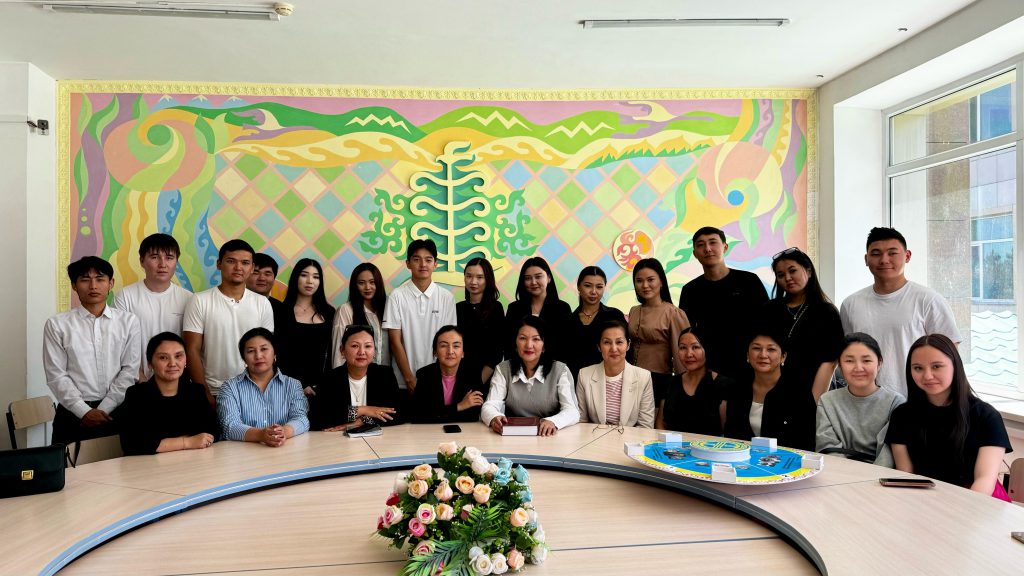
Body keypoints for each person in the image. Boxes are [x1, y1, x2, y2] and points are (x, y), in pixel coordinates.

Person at [886, 334, 1013, 500]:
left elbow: (985, 480)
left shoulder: (986, 416)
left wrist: (958, 512)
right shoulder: (902, 415)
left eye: (936, 366)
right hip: (924, 499)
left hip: (979, 501)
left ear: (955, 366)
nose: (927, 376)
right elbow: (906, 475)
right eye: (918, 368)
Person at [840, 227, 961, 397]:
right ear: (866, 259)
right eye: (876, 253)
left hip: (916, 400)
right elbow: (848, 353)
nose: (884, 260)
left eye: (892, 253)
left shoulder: (928, 300)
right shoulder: (850, 304)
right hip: (866, 400)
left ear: (907, 256)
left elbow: (949, 352)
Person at [44, 256, 142, 445]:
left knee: (122, 463)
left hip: (118, 412)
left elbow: (130, 370)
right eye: (85, 279)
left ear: (111, 283)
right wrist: (84, 411)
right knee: (68, 464)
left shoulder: (129, 322)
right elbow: (56, 375)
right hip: (72, 415)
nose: (93, 286)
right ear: (74, 285)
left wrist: (103, 409)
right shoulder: (57, 325)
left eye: (100, 279)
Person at [183, 239, 274, 402]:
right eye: (231, 261)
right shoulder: (199, 300)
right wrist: (204, 393)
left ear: (252, 267)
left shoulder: (262, 303)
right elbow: (191, 350)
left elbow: (266, 351)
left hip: (252, 390)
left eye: (245, 263)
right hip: (213, 390)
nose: (238, 267)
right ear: (219, 264)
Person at [678, 226, 768, 380]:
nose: (707, 249)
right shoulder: (690, 290)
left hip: (748, 367)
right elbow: (688, 333)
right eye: (701, 245)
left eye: (713, 242)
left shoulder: (749, 281)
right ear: (695, 253)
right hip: (710, 370)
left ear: (725, 247)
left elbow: (766, 323)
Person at [760, 247, 843, 402]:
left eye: (793, 271)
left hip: (813, 391)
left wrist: (813, 403)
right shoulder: (770, 310)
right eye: (781, 275)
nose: (788, 278)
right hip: (773, 391)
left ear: (809, 271)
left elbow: (830, 362)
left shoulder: (826, 312)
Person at [119, 333, 219, 455]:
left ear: (186, 359)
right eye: (163, 358)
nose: (172, 363)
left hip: (193, 460)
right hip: (149, 465)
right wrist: (187, 442)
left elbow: (213, 431)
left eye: (178, 356)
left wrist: (162, 444)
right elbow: (132, 443)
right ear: (150, 363)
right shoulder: (136, 395)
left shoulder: (196, 392)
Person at [816, 333, 904, 467]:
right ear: (840, 365)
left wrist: (870, 478)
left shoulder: (896, 403)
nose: (858, 368)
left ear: (879, 363)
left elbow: (889, 455)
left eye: (866, 360)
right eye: (849, 361)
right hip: (838, 473)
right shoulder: (827, 401)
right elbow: (827, 448)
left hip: (881, 476)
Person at [112, 233, 192, 381]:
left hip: (177, 381)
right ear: (142, 261)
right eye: (155, 257)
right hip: (136, 380)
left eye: (169, 258)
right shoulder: (125, 296)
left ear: (176, 261)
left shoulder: (188, 298)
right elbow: (118, 343)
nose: (162, 264)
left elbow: (191, 345)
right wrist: (139, 377)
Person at [482, 316, 580, 436]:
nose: (529, 345)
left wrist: (553, 421)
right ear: (515, 342)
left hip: (549, 436)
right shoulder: (503, 369)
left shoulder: (560, 371)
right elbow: (490, 404)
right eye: (523, 338)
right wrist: (494, 417)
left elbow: (572, 411)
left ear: (544, 345)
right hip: (513, 436)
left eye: (536, 339)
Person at [383, 239, 457, 393]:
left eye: (428, 260)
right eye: (417, 259)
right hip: (403, 382)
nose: (423, 264)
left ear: (435, 264)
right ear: (408, 264)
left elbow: (448, 340)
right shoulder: (396, 296)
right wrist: (409, 378)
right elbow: (395, 341)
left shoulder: (446, 297)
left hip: (438, 381)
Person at [722, 330, 815, 450]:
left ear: (783, 357)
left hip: (787, 459)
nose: (763, 355)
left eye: (771, 349)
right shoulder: (737, 389)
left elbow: (807, 442)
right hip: (741, 458)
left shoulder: (799, 393)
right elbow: (731, 436)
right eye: (756, 348)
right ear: (747, 355)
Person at [217, 328, 308, 446]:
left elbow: (301, 419)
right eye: (251, 351)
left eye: (264, 349)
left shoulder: (293, 385)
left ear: (275, 353)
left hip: (284, 451)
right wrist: (261, 435)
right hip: (244, 453)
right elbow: (229, 427)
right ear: (244, 358)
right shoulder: (229, 388)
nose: (258, 356)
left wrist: (283, 432)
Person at [313, 325, 401, 430]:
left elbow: (398, 413)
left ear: (374, 351)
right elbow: (319, 417)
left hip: (377, 437)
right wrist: (363, 410)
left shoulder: (385, 375)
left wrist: (363, 421)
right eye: (355, 346)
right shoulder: (329, 379)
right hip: (338, 438)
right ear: (342, 350)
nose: (362, 352)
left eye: (368, 346)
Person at [627, 258, 689, 402]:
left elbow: (682, 354)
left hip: (659, 380)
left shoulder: (673, 313)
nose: (645, 285)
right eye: (639, 281)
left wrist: (684, 387)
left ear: (661, 282)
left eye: (650, 280)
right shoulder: (634, 311)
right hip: (632, 378)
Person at [576, 320, 655, 428]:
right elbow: (581, 423)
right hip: (594, 437)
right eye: (607, 342)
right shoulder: (584, 375)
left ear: (628, 345)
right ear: (599, 347)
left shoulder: (643, 377)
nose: (613, 349)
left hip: (630, 438)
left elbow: (645, 426)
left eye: (619, 342)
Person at [275, 258, 335, 398]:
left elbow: (333, 351)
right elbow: (280, 353)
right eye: (304, 275)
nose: (310, 281)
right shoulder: (281, 311)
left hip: (324, 386)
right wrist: (301, 384)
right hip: (289, 386)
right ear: (295, 278)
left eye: (316, 277)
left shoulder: (329, 312)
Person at [658, 328, 731, 437]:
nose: (689, 354)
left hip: (709, 447)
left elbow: (726, 431)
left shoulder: (723, 385)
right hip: (672, 447)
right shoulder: (670, 383)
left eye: (695, 347)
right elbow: (660, 424)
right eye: (683, 347)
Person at [410, 326, 487, 424]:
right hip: (430, 431)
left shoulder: (472, 375)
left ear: (463, 353)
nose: (450, 351)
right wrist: (459, 406)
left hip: (465, 430)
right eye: (443, 346)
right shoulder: (425, 374)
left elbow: (472, 416)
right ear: (435, 352)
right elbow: (417, 414)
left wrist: (438, 412)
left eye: (456, 346)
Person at [503, 256, 572, 363]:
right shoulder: (514, 308)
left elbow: (565, 346)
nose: (533, 282)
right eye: (528, 278)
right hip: (519, 368)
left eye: (538, 277)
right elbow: (509, 345)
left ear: (548, 278)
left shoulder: (562, 308)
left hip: (552, 367)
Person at [564, 266, 625, 381]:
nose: (593, 291)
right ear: (579, 287)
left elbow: (624, 351)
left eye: (599, 287)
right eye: (588, 286)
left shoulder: (614, 316)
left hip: (607, 380)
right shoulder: (567, 321)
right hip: (573, 381)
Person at [456, 257, 505, 385]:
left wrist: (479, 382)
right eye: (469, 276)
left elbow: (497, 351)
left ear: (488, 279)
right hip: (459, 375)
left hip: (486, 377)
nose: (473, 282)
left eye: (479, 277)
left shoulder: (496, 308)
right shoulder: (458, 308)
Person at [332, 262, 390, 368]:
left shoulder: (389, 308)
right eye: (361, 283)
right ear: (355, 285)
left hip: (387, 374)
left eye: (372, 282)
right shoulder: (346, 310)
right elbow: (338, 353)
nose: (367, 287)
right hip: (356, 375)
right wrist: (339, 376)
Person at [247, 252, 284, 317]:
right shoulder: (233, 304)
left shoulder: (283, 310)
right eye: (255, 273)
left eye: (267, 274)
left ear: (274, 278)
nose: (262, 278)